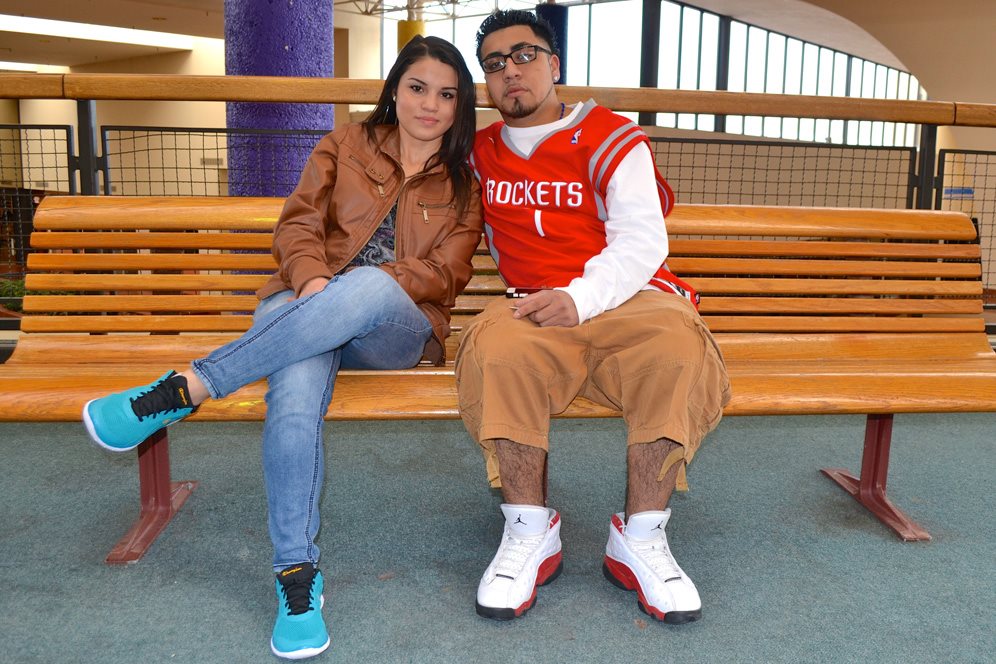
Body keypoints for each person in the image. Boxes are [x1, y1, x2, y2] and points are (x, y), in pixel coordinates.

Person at [82, 36, 483, 660]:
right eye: (418, 87)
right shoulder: (345, 144)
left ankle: (186, 388)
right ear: (395, 90)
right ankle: (296, 577)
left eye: (447, 94)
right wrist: (316, 285)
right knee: (293, 394)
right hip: (303, 302)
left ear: (461, 108)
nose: (430, 104)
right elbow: (298, 223)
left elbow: (444, 276)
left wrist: (350, 292)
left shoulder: (463, 185)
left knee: (371, 286)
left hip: (394, 330)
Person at [456, 10, 731, 624]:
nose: (510, 72)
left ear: (554, 65)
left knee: (677, 350)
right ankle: (529, 529)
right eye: (494, 65)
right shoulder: (479, 152)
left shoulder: (609, 135)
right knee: (493, 346)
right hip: (534, 304)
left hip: (628, 299)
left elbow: (641, 240)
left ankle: (642, 535)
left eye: (524, 55)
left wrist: (580, 298)